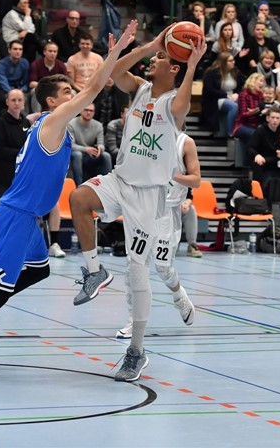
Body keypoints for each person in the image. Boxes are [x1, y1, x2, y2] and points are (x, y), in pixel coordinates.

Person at [0, 22, 133, 379]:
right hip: (16, 214)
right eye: (66, 90)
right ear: (53, 101)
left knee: (39, 270)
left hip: (26, 216)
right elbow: (91, 89)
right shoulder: (53, 121)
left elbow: (71, 96)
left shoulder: (43, 119)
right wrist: (115, 53)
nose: (75, 93)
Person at [68, 24, 204, 383]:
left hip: (149, 197)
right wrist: (151, 45)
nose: (154, 61)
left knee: (138, 269)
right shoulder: (141, 89)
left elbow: (184, 102)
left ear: (173, 68)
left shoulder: (173, 104)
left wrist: (191, 65)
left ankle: (136, 351)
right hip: (120, 180)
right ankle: (94, 270)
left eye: (160, 58)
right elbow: (112, 71)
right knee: (78, 198)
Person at [115, 131, 202, 340]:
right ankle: (133, 321)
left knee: (163, 268)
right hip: (143, 209)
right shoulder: (142, 138)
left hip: (167, 213)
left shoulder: (185, 142)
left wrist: (173, 176)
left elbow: (196, 180)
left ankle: (179, 296)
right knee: (133, 265)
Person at [67, 102, 111, 183]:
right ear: (80, 111)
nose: (89, 112)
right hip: (76, 153)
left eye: (91, 111)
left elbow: (101, 144)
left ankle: (108, 184)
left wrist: (99, 149)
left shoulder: (98, 125)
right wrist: (86, 149)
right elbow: (71, 145)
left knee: (106, 155)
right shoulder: (71, 123)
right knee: (77, 154)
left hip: (90, 154)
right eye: (86, 110)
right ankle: (78, 185)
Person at [0, 40, 29, 108]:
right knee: (6, 99)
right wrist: (13, 92)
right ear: (9, 50)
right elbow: (2, 82)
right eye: (15, 49)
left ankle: (23, 118)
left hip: (19, 88)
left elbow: (26, 81)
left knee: (25, 98)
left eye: (20, 49)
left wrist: (22, 89)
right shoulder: (1, 64)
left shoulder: (25, 63)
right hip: (3, 89)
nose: (18, 51)